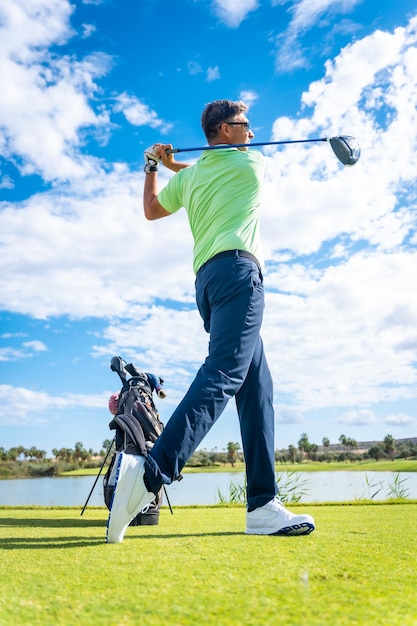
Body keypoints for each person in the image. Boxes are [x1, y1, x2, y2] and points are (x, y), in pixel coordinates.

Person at [106, 99, 315, 543]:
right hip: (240, 274)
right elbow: (210, 168)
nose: (253, 133)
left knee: (257, 388)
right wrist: (174, 162)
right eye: (245, 125)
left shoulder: (195, 177)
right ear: (223, 130)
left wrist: (154, 165)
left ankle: (262, 505)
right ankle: (149, 474)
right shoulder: (250, 166)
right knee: (223, 375)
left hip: (208, 282)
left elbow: (151, 210)